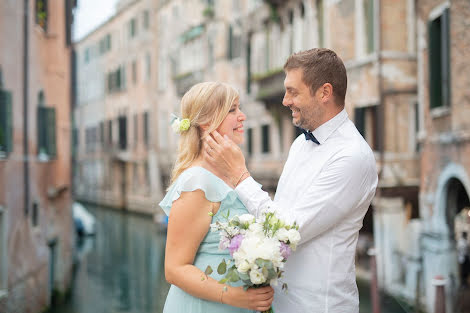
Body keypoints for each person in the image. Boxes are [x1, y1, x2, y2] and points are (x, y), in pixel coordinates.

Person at [204, 48, 378, 313]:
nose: (285, 100)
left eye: (293, 91)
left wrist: (240, 176)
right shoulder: (299, 144)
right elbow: (278, 213)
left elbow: (287, 231)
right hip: (279, 304)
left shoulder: (352, 157)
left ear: (324, 93)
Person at [159, 82, 274, 313]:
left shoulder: (231, 175)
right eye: (232, 110)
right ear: (206, 123)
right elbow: (175, 268)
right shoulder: (197, 183)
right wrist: (237, 297)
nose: (242, 116)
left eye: (238, 108)